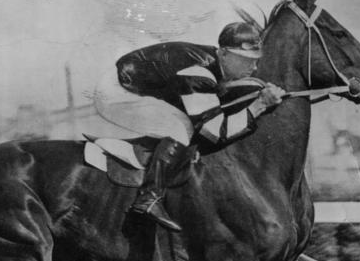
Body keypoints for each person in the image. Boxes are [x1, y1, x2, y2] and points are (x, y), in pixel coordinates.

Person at [115, 22, 285, 232]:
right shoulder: (199, 72)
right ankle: (148, 197)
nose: (254, 68)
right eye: (246, 60)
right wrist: (260, 105)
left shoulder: (215, 66)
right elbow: (215, 133)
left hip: (142, 85)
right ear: (223, 54)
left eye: (255, 61)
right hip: (119, 91)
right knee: (180, 126)